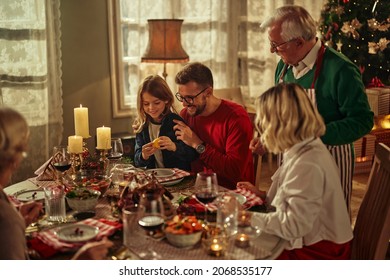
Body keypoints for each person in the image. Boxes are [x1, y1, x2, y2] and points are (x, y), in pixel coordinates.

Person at [259, 5, 374, 214]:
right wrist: (268, 137)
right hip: (291, 158)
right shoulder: (283, 67)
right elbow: (282, 113)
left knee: (325, 222)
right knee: (288, 215)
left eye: (276, 45)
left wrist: (315, 134)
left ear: (299, 42)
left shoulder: (341, 70)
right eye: (271, 44)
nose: (272, 51)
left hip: (330, 160)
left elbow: (363, 120)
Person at [238, 83, 353, 259]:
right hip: (312, 240)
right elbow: (296, 201)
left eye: (264, 121)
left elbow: (293, 226)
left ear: (278, 122)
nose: (261, 128)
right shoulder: (303, 146)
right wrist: (263, 196)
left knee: (238, 251)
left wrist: (243, 216)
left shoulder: (308, 162)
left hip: (319, 252)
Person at [0, 107, 113, 260]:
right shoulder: (7, 221)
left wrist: (19, 221)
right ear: (13, 158)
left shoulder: (8, 213)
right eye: (23, 150)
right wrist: (80, 261)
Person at [173, 62, 254, 189]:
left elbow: (234, 171)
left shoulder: (236, 118)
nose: (184, 104)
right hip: (195, 189)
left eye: (189, 98)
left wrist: (198, 145)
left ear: (208, 92)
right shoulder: (185, 115)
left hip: (232, 193)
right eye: (181, 97)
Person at [133, 75, 197, 171]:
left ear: (166, 100)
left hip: (177, 178)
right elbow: (137, 161)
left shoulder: (175, 122)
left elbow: (192, 154)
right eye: (146, 104)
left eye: (157, 103)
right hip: (154, 179)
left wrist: (175, 147)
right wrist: (143, 155)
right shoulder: (142, 125)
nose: (151, 108)